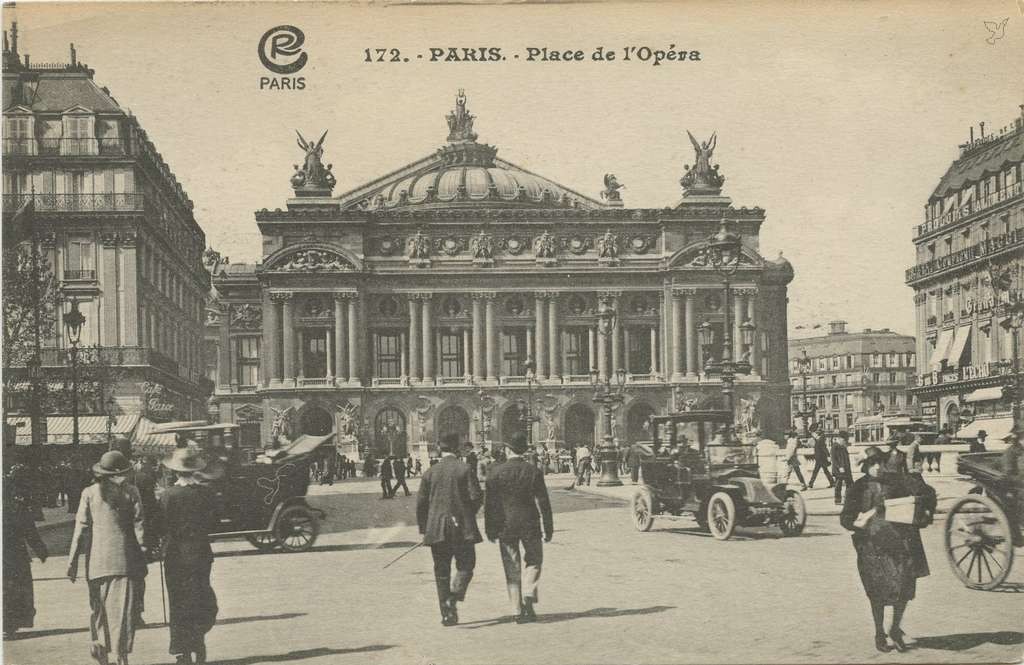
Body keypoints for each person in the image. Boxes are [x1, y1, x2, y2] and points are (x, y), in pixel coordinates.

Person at [840, 446, 933, 653]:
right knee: (877, 592)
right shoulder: (857, 488)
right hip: (872, 547)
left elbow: (924, 492)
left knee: (904, 588)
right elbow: (845, 518)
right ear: (864, 467)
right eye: (872, 464)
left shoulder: (896, 481)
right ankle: (879, 632)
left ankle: (895, 628)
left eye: (880, 463)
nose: (877, 467)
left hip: (897, 544)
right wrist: (857, 523)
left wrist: (922, 506)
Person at [67, 451, 147, 665]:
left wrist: (72, 560)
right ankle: (121, 656)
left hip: (96, 562)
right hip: (125, 560)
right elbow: (140, 525)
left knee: (98, 607)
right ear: (122, 472)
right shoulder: (131, 491)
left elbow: (81, 528)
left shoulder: (89, 493)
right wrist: (144, 550)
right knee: (122, 611)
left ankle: (100, 645)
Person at [485, 432, 554, 623]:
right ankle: (529, 591)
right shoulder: (533, 471)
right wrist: (549, 528)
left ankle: (516, 609)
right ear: (523, 451)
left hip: (505, 525)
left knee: (511, 565)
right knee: (534, 560)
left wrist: (490, 528)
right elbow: (543, 502)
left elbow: (490, 504)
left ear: (507, 450)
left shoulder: (495, 473)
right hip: (530, 522)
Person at [159, 448, 219, 665]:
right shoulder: (206, 493)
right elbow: (215, 522)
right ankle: (198, 644)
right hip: (201, 553)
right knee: (200, 598)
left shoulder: (168, 495)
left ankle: (181, 651)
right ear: (194, 470)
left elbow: (161, 525)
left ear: (175, 471)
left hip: (175, 555)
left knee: (178, 601)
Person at [416, 434, 482, 626]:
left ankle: (447, 613)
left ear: (439, 448)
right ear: (458, 448)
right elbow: (477, 496)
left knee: (441, 571)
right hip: (462, 528)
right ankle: (454, 596)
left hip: (436, 529)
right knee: (467, 565)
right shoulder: (465, 469)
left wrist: (425, 528)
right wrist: (467, 514)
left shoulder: (430, 472)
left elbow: (421, 504)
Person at [3, 465, 48, 640]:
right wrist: (41, 550)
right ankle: (10, 624)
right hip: (15, 555)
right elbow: (29, 530)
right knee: (15, 589)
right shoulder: (17, 507)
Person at [831, 431, 855, 505]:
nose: (845, 441)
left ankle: (848, 499)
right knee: (838, 485)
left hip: (846, 469)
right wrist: (840, 467)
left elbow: (846, 458)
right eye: (844, 440)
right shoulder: (835, 446)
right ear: (840, 438)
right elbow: (834, 459)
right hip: (839, 470)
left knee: (850, 484)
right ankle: (837, 500)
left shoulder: (843, 447)